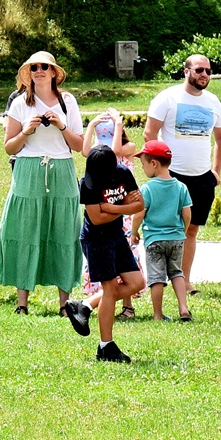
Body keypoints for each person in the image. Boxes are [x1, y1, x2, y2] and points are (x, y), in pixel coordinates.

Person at [0, 51, 84, 315]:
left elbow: (79, 146)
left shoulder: (67, 101)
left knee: (64, 231)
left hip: (62, 168)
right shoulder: (20, 103)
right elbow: (9, 147)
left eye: (44, 66)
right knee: (25, 230)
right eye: (33, 67)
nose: (39, 71)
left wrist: (60, 125)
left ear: (54, 72)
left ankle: (65, 304)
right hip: (28, 169)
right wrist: (26, 131)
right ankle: (22, 303)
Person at [143, 54, 221, 293]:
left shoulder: (212, 101)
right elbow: (149, 134)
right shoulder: (167, 98)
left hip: (202, 177)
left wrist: (216, 171)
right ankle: (157, 281)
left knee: (192, 229)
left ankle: (185, 282)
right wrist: (159, 169)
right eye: (199, 70)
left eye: (208, 71)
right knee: (163, 230)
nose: (205, 75)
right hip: (172, 176)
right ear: (186, 71)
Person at [61, 145, 145, 363]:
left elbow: (139, 205)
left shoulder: (123, 173)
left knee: (137, 283)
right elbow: (97, 219)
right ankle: (106, 347)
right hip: (96, 240)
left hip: (116, 237)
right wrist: (123, 206)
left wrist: (111, 208)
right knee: (110, 289)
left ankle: (85, 305)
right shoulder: (87, 183)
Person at [80, 107, 139, 319]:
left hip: (119, 218)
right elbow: (84, 151)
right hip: (99, 232)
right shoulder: (96, 159)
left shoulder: (127, 148)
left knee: (128, 267)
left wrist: (114, 208)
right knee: (110, 280)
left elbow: (115, 152)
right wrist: (91, 125)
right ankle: (89, 306)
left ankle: (119, 305)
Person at [129, 140, 194, 322]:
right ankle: (183, 308)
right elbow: (187, 214)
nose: (142, 168)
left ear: (154, 164)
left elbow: (139, 214)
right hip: (176, 238)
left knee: (157, 278)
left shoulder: (148, 188)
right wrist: (183, 231)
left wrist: (134, 232)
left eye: (143, 164)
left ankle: (158, 314)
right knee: (177, 273)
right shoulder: (181, 187)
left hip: (154, 240)